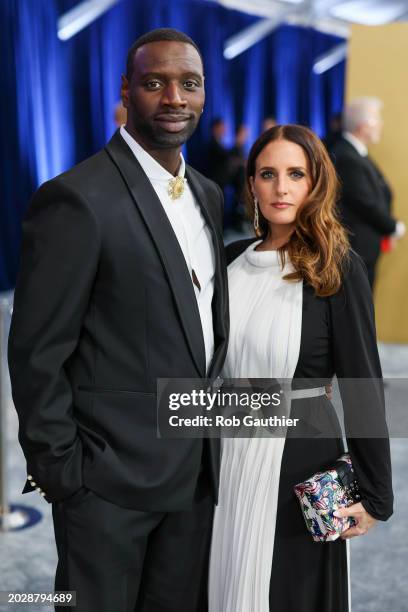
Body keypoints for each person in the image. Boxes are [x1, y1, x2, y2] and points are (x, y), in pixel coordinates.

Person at [8, 28, 228, 612]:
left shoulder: (208, 194)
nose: (174, 98)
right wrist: (65, 476)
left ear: (205, 94)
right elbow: (36, 352)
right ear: (126, 90)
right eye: (155, 83)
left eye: (189, 84)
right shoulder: (76, 199)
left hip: (194, 473)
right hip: (106, 486)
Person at [208, 125, 393, 612]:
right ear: (251, 184)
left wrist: (377, 495)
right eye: (268, 174)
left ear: (316, 184)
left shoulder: (336, 267)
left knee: (287, 591)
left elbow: (361, 384)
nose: (281, 188)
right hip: (224, 455)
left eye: (296, 174)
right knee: (223, 579)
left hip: (300, 457)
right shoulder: (228, 263)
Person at [329, 97, 405, 288]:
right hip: (355, 250)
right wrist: (393, 226)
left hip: (365, 250)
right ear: (364, 126)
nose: (381, 125)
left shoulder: (356, 153)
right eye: (377, 120)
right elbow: (363, 201)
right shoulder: (347, 156)